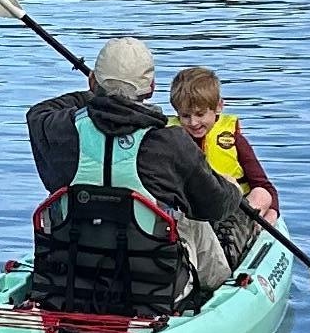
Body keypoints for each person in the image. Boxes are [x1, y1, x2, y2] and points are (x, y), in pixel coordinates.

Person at [26, 37, 253, 295]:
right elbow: (215, 207)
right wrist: (233, 188)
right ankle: (216, 290)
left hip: (74, 274)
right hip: (154, 288)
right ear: (151, 88)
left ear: (92, 83)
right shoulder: (171, 144)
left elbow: (39, 111)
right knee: (195, 214)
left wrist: (102, 93)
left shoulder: (59, 130)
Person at [164, 66, 278, 266]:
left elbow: (266, 188)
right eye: (185, 116)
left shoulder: (233, 139)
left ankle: (236, 236)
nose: (193, 122)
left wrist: (271, 216)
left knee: (261, 195)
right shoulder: (170, 139)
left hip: (231, 212)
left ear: (218, 107)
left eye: (200, 114)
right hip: (193, 214)